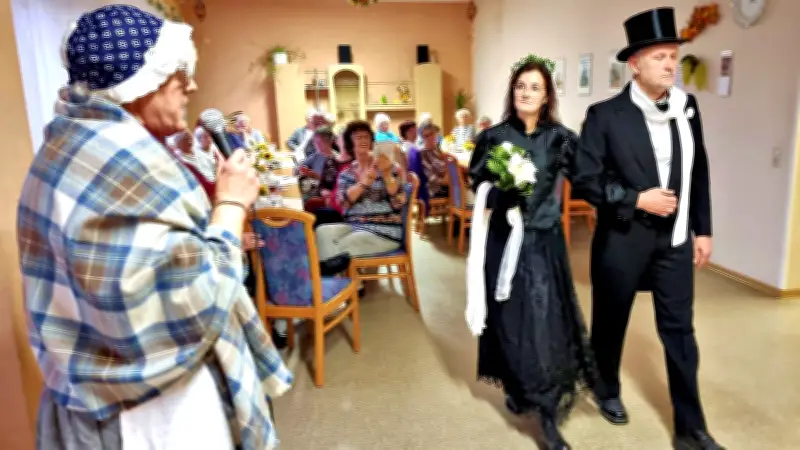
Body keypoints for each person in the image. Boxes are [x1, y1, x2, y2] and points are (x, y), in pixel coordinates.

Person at [16, 5, 291, 449]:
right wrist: (230, 205)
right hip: (154, 414)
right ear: (141, 81)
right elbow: (189, 303)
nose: (192, 87)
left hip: (98, 395)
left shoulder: (68, 144)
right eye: (181, 75)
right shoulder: (122, 159)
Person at [571, 8, 722, 450]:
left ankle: (691, 428)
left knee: (680, 332)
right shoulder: (605, 115)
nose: (671, 65)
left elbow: (699, 170)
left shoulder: (686, 107)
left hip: (674, 241)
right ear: (635, 64)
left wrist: (703, 229)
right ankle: (606, 389)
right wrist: (636, 199)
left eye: (674, 56)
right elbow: (585, 179)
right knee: (610, 322)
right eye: (660, 57)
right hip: (622, 239)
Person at [466, 54, 596, 450]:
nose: (526, 92)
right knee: (509, 319)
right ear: (513, 92)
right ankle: (518, 386)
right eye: (521, 86)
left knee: (543, 321)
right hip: (504, 240)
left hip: (542, 242)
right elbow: (477, 181)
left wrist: (628, 197)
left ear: (546, 96)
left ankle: (547, 412)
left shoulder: (560, 138)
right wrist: (500, 190)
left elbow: (589, 177)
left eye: (535, 87)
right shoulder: (493, 137)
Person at [315, 120, 407, 260]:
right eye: (358, 137)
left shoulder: (389, 166)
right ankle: (333, 270)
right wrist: (364, 183)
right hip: (354, 227)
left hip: (384, 231)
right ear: (350, 144)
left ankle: (332, 271)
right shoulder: (346, 174)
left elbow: (399, 202)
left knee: (337, 248)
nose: (363, 140)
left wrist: (387, 174)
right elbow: (344, 204)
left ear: (372, 141)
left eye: (366, 137)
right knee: (322, 232)